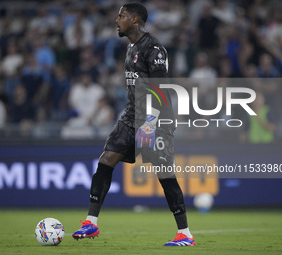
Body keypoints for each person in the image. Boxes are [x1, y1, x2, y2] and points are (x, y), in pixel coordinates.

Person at [72, 3, 194, 247]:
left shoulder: (154, 48)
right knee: (106, 159)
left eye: (121, 16)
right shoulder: (131, 48)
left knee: (164, 173)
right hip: (130, 116)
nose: (117, 20)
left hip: (156, 118)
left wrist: (150, 123)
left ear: (135, 19)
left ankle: (185, 234)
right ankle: (91, 222)